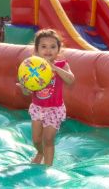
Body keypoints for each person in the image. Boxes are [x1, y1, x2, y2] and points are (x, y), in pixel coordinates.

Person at [16, 29, 75, 166]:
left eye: (53, 47)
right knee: (36, 139)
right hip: (38, 108)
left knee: (48, 139)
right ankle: (40, 152)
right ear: (36, 50)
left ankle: (48, 168)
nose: (48, 50)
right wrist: (24, 88)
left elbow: (71, 80)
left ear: (58, 50)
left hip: (54, 109)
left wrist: (55, 68)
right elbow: (27, 92)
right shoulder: (32, 67)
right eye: (43, 47)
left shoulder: (62, 65)